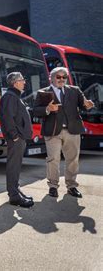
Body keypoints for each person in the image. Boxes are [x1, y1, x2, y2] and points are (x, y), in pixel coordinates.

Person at [33, 67, 94, 198]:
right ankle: (53, 187)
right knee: (53, 159)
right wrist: (47, 109)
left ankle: (71, 186)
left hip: (72, 130)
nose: (61, 79)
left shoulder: (75, 90)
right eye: (58, 77)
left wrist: (88, 104)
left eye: (64, 77)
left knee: (73, 159)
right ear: (52, 78)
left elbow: (84, 104)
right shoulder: (43, 93)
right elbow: (36, 111)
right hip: (53, 131)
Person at [0, 72, 34, 208]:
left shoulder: (14, 96)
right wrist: (14, 136)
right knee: (13, 166)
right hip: (16, 139)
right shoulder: (10, 97)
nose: (24, 82)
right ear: (15, 83)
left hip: (19, 138)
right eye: (22, 80)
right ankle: (14, 196)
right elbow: (8, 118)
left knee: (16, 166)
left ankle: (16, 191)